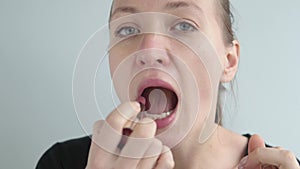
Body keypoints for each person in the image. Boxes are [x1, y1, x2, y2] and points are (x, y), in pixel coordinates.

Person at [36, 0, 300, 168]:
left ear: (228, 61)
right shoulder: (62, 163)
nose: (149, 51)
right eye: (128, 29)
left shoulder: (277, 167)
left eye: (184, 25)